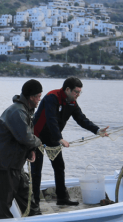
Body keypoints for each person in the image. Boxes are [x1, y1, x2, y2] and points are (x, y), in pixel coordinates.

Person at [30, 77, 108, 210]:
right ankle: (35, 203)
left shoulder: (72, 103)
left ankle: (62, 198)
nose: (78, 95)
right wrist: (60, 138)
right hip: (37, 137)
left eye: (79, 92)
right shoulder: (52, 97)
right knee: (37, 170)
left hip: (53, 137)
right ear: (67, 89)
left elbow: (81, 119)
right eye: (76, 92)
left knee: (59, 167)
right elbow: (51, 119)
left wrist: (97, 130)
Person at [0, 79, 44, 219]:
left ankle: (37, 220)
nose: (39, 99)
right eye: (38, 96)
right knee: (2, 205)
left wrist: (30, 150)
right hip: (5, 165)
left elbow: (23, 137)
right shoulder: (17, 112)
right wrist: (38, 143)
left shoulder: (24, 110)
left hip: (15, 164)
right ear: (31, 97)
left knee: (27, 197)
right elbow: (26, 137)